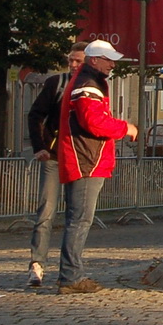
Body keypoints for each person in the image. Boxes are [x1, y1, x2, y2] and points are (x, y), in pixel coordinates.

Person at [53, 39, 137, 293]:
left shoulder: (87, 81)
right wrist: (124, 128)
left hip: (84, 158)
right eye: (108, 60)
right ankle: (71, 277)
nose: (112, 65)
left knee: (78, 219)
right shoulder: (88, 84)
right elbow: (93, 122)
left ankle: (71, 274)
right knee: (79, 220)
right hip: (85, 160)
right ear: (95, 60)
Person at [25, 42, 86, 288]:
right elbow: (35, 114)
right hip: (53, 156)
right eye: (70, 59)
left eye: (78, 61)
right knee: (46, 211)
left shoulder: (94, 86)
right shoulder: (57, 83)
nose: (73, 64)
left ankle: (69, 270)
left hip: (79, 158)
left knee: (75, 215)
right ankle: (37, 264)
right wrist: (39, 146)